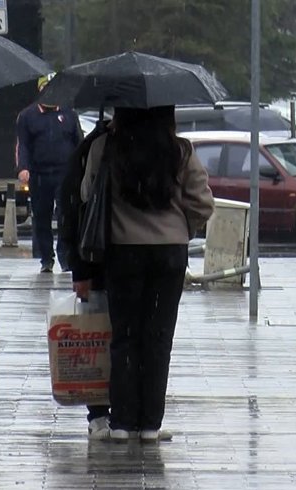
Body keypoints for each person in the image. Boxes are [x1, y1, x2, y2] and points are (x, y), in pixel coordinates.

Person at [80, 106, 214, 442]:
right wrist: (183, 225)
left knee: (124, 335)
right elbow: (203, 203)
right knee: (158, 336)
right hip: (169, 252)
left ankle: (123, 421)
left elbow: (86, 194)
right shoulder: (180, 150)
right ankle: (150, 423)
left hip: (122, 250)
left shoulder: (105, 148)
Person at [59, 118, 113, 439]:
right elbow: (74, 208)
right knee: (97, 339)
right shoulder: (95, 148)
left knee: (117, 338)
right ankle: (98, 413)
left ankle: (114, 410)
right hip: (97, 260)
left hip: (114, 260)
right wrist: (79, 269)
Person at [16, 73, 83, 273]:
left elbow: (78, 142)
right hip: (40, 173)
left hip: (65, 172)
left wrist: (81, 167)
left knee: (65, 214)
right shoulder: (27, 116)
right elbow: (23, 145)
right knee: (41, 216)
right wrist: (23, 168)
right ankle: (46, 258)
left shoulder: (69, 114)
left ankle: (65, 256)